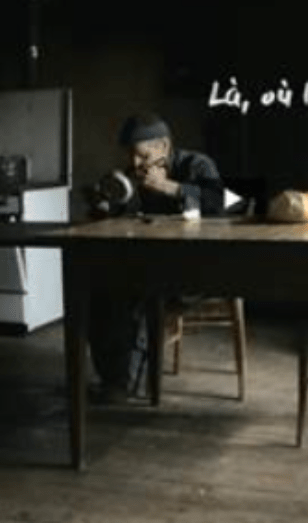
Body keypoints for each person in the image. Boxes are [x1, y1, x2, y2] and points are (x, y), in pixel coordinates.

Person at [86, 112, 225, 403]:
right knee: (99, 293)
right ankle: (111, 378)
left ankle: (126, 383)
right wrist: (105, 205)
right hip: (151, 262)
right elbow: (122, 217)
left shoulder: (197, 164)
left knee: (141, 295)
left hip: (198, 268)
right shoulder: (134, 175)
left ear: (163, 145)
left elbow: (219, 202)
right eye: (131, 155)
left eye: (142, 155)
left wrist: (170, 187)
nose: (135, 163)